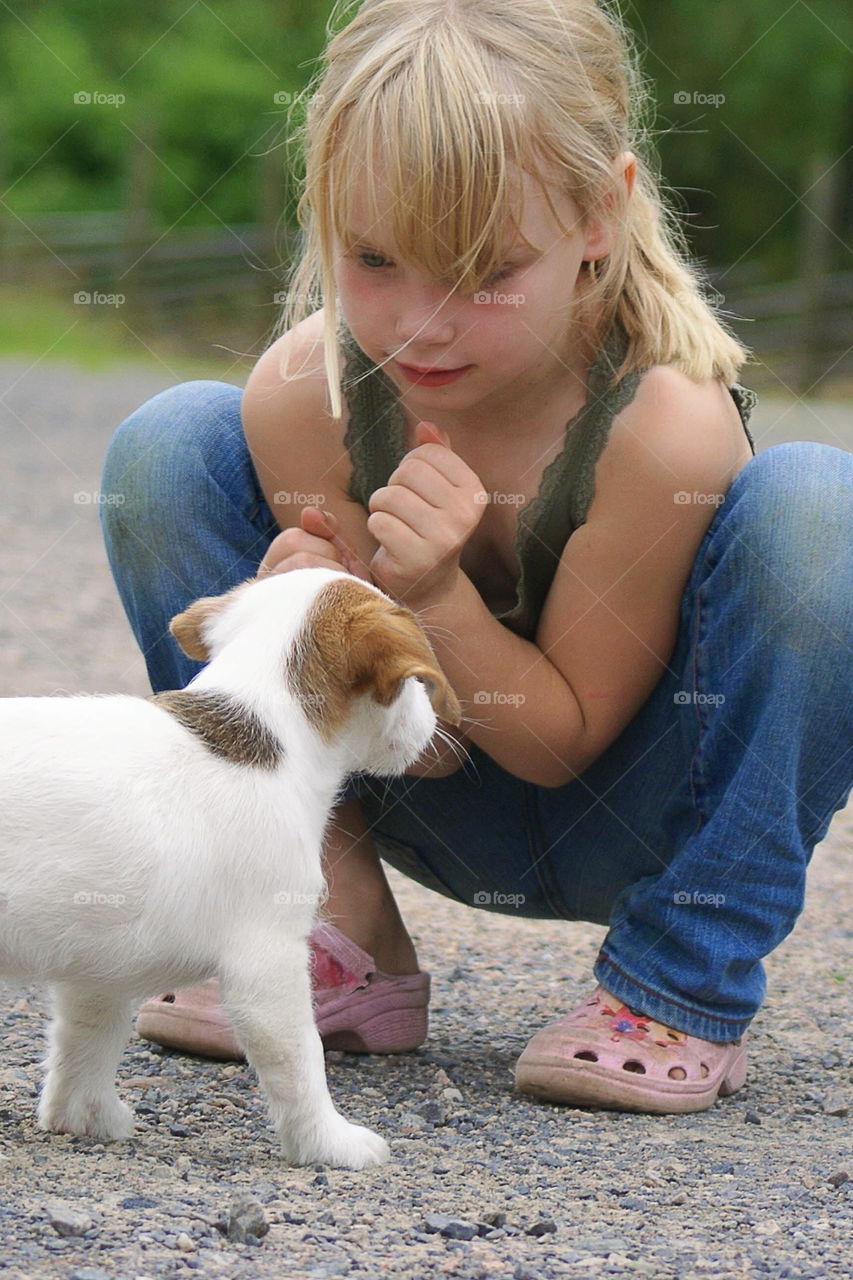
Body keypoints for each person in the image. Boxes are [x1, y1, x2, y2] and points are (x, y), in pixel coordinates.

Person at [100, 0, 853, 1114]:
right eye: (373, 258)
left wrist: (426, 593)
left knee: (823, 509)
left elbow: (555, 752)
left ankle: (677, 982)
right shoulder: (310, 395)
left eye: (483, 270)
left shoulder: (662, 425)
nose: (419, 324)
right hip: (420, 784)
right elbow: (434, 753)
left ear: (602, 213)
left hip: (633, 806)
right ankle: (324, 926)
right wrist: (304, 641)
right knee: (165, 444)